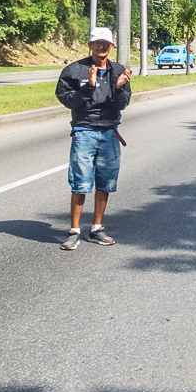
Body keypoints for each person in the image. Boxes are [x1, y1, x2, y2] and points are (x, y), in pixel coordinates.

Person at [55, 27, 133, 250]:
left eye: (106, 43)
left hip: (109, 131)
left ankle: (97, 227)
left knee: (105, 181)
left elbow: (122, 104)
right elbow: (68, 100)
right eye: (97, 43)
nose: (102, 47)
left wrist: (119, 88)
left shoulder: (118, 71)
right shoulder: (74, 71)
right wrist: (88, 87)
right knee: (80, 181)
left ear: (111, 46)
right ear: (89, 45)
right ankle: (74, 230)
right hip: (84, 130)